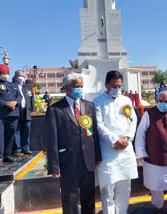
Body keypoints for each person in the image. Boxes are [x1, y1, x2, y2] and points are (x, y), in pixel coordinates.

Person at [46, 72, 101, 214]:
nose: (80, 89)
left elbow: (94, 133)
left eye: (81, 86)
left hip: (88, 161)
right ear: (67, 87)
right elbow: (52, 139)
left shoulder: (89, 107)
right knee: (70, 199)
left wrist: (97, 156)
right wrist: (54, 165)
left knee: (89, 199)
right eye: (77, 86)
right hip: (68, 162)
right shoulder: (55, 110)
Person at [93, 71, 138, 214]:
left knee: (125, 187)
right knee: (108, 188)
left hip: (125, 149)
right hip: (108, 151)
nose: (117, 89)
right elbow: (98, 125)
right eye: (114, 85)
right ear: (106, 84)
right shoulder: (98, 101)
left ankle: (122, 212)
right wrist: (114, 140)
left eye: (119, 86)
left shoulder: (126, 100)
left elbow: (133, 120)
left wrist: (126, 138)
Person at [0, 64, 22, 167]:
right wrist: (5, 103)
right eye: (3, 73)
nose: (5, 75)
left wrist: (15, 102)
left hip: (13, 114)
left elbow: (19, 96)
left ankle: (7, 154)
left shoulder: (14, 85)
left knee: (11, 135)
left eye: (7, 73)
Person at [12, 70, 35, 156]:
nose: (21, 77)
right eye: (19, 75)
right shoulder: (11, 86)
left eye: (22, 76)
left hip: (26, 111)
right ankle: (18, 149)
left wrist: (33, 109)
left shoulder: (28, 87)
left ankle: (26, 148)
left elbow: (32, 99)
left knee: (26, 129)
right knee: (16, 130)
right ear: (15, 77)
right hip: (16, 111)